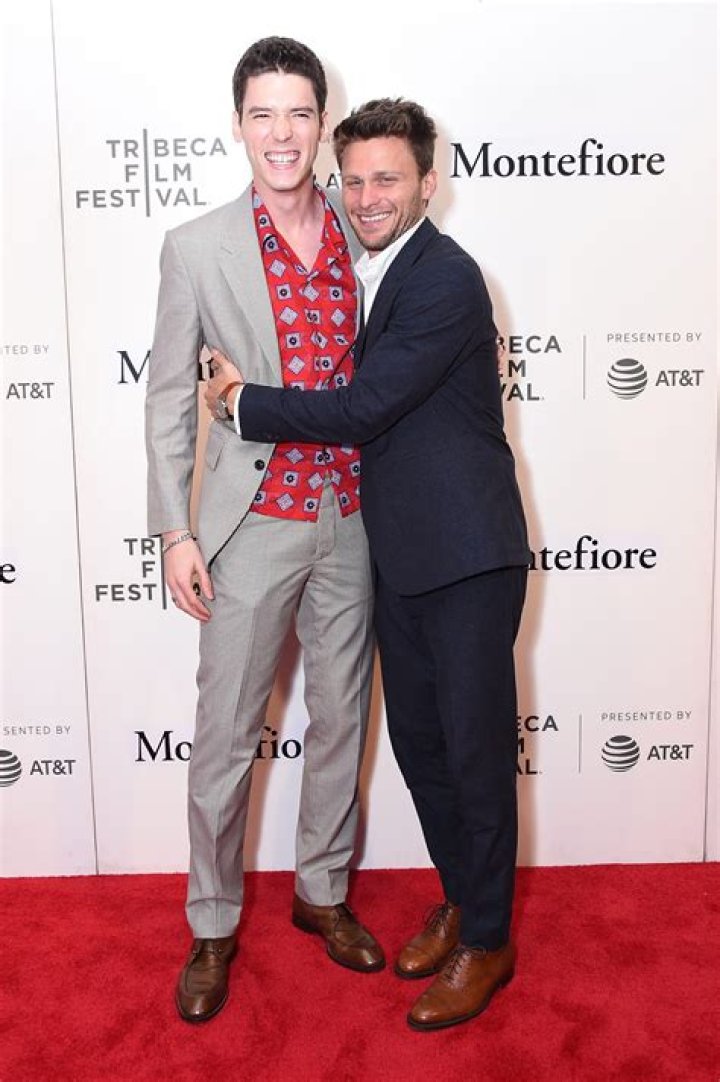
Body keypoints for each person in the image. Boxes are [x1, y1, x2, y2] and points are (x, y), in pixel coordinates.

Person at [206, 98, 531, 1032]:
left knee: (473, 754)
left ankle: (490, 939)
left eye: (387, 178)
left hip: (467, 558)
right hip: (400, 555)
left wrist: (244, 403)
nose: (366, 196)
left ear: (429, 181)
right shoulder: (367, 267)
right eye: (351, 180)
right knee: (423, 749)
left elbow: (363, 408)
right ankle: (464, 899)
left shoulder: (445, 279)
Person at [145, 38, 384, 1026]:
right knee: (225, 739)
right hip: (249, 526)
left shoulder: (368, 230)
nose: (282, 133)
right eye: (262, 114)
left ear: (322, 121)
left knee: (342, 720)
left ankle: (321, 890)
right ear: (239, 124)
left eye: (298, 113)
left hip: (356, 518)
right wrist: (174, 531)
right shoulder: (196, 247)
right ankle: (211, 923)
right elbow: (169, 397)